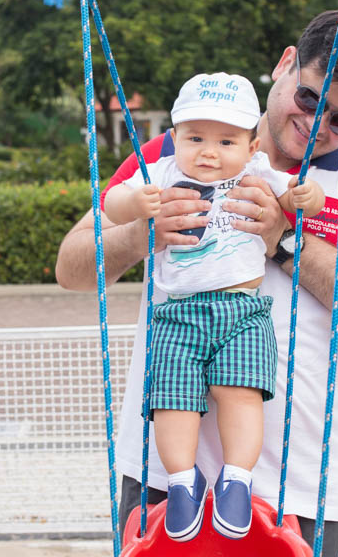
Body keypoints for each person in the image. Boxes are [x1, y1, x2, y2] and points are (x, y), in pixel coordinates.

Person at [55, 10, 338, 555]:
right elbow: (71, 266)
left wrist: (285, 242)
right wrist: (146, 233)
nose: (317, 125)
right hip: (163, 476)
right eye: (309, 99)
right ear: (285, 64)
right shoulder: (180, 151)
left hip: (297, 489)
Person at [103, 71, 325, 542]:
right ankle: (183, 483)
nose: (208, 151)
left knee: (240, 393)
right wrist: (134, 202)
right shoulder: (163, 172)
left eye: (226, 140)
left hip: (240, 312)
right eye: (195, 137)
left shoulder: (257, 172)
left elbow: (300, 197)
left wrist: (307, 196)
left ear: (250, 145)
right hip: (177, 315)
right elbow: (112, 201)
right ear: (175, 137)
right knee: (172, 404)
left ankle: (237, 480)